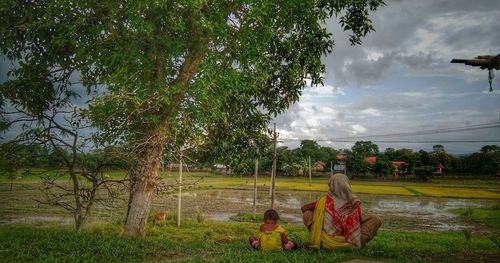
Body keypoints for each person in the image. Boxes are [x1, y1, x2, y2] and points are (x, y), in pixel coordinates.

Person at [301, 173, 381, 249]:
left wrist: (319, 206)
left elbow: (303, 209)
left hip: (326, 241)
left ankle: (318, 238)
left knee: (307, 214)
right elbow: (359, 221)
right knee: (375, 219)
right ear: (348, 185)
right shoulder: (354, 202)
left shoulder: (324, 200)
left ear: (331, 186)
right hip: (351, 241)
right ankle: (354, 243)